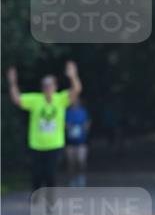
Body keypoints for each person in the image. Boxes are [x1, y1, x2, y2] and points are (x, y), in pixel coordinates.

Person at [6, 62, 82, 205]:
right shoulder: (36, 100)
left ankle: (50, 201)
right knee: (36, 175)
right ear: (42, 88)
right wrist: (12, 82)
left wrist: (73, 76)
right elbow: (17, 99)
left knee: (50, 174)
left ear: (55, 86)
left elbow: (76, 90)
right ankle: (35, 197)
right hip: (36, 145)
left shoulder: (60, 99)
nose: (47, 88)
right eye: (45, 85)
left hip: (54, 145)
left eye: (50, 85)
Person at [65, 96, 91, 187]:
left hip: (81, 141)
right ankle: (72, 180)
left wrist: (85, 128)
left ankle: (81, 177)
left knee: (81, 160)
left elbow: (87, 123)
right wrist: (67, 127)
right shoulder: (67, 112)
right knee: (71, 162)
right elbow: (64, 124)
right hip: (70, 141)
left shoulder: (83, 112)